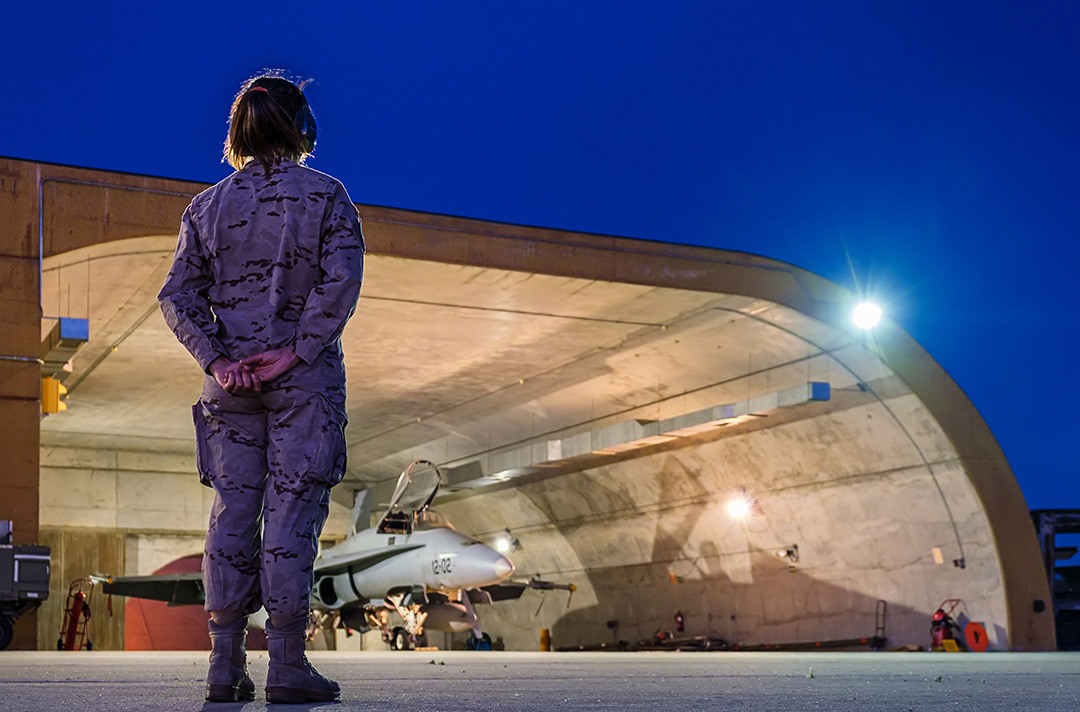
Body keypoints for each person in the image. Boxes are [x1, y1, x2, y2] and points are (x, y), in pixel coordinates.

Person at [158, 72, 365, 704]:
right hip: (303, 385)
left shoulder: (206, 207)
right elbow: (340, 284)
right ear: (301, 126)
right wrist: (296, 351)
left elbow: (177, 297)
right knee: (291, 516)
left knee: (232, 515)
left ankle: (224, 667)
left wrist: (221, 362)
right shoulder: (327, 197)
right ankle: (286, 666)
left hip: (230, 390)